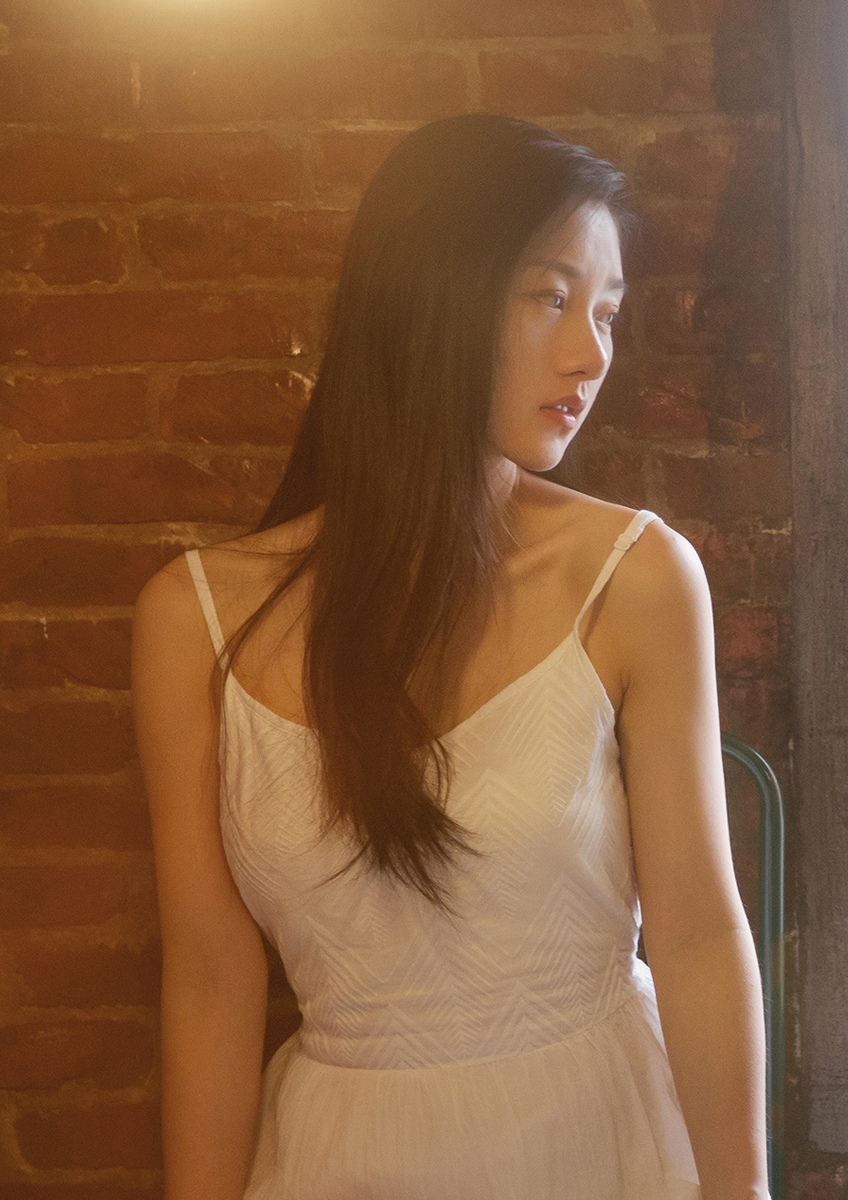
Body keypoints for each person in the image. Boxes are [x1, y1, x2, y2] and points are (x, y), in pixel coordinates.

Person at [129, 114, 767, 1199]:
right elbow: (208, 976)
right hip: (339, 1157)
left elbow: (700, 934)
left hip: (602, 1140)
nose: (592, 354)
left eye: (607, 312)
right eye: (550, 296)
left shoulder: (637, 577)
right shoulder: (195, 620)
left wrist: (742, 1191)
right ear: (428, 297)